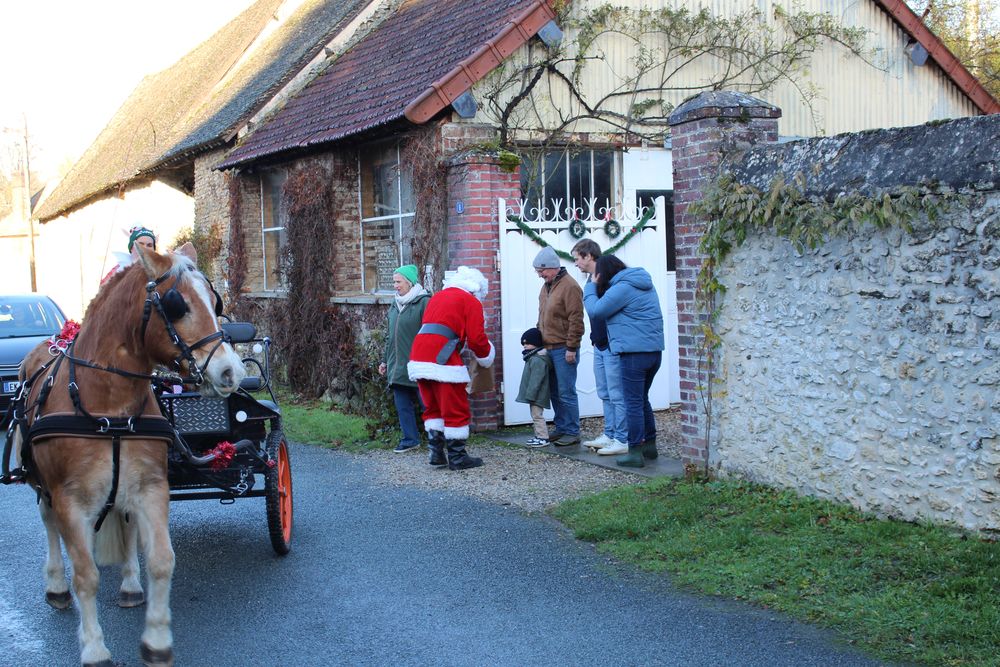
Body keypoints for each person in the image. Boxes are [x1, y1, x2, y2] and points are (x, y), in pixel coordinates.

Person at [407, 266, 495, 470]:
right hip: (442, 357)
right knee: (455, 405)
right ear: (476, 290)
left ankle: (436, 453)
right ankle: (457, 457)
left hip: (419, 353)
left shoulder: (438, 297)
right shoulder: (470, 301)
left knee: (433, 405)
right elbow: (477, 339)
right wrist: (486, 357)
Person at [583, 255, 664, 468]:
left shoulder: (623, 288)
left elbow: (596, 311)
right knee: (642, 399)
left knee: (633, 403)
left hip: (634, 354)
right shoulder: (643, 282)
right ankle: (650, 446)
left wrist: (590, 287)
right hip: (653, 352)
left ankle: (635, 451)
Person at [572, 239, 628, 456]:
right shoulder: (590, 280)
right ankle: (609, 433)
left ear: (588, 256)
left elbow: (601, 310)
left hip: (612, 344)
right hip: (599, 344)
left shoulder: (608, 279)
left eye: (577, 258)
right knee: (605, 392)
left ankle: (621, 438)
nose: (576, 263)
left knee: (616, 394)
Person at [532, 246, 584, 446]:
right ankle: (562, 427)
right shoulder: (547, 287)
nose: (539, 275)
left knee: (566, 391)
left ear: (552, 267)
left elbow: (576, 319)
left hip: (564, 348)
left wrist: (572, 347)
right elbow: (541, 316)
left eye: (541, 271)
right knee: (554, 390)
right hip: (549, 348)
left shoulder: (569, 286)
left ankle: (572, 431)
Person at [378, 264, 431, 453]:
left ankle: (437, 439)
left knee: (428, 405)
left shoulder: (424, 302)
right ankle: (410, 439)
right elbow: (390, 336)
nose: (395, 285)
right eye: (394, 282)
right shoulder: (395, 303)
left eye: (398, 282)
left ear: (409, 282)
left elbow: (431, 334)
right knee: (402, 406)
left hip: (418, 365)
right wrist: (385, 361)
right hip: (397, 364)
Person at [515, 327, 552, 448]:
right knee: (535, 415)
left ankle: (543, 437)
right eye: (523, 343)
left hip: (537, 394)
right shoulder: (532, 357)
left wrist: (531, 395)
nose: (525, 345)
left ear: (536, 343)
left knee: (537, 415)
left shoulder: (537, 359)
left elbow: (536, 379)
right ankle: (538, 436)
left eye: (528, 343)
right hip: (535, 394)